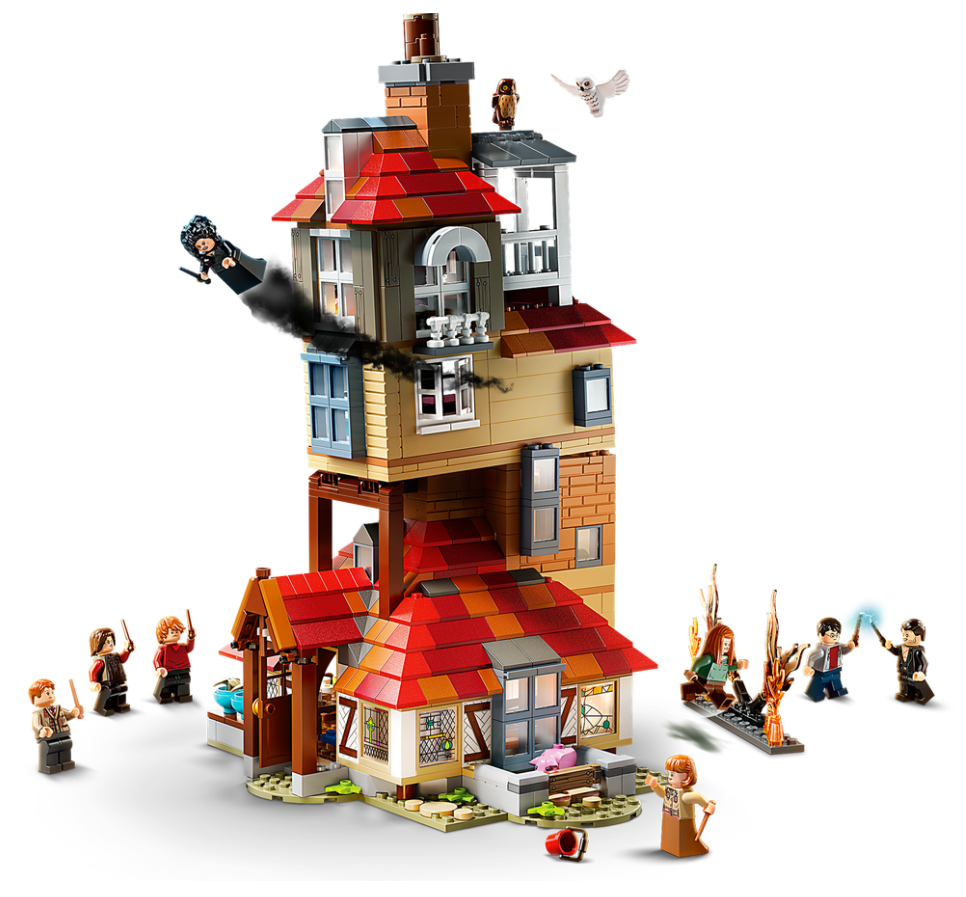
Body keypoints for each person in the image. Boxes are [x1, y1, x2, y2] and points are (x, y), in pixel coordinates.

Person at [645, 755, 714, 857]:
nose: (670, 775)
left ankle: (687, 849)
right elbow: (663, 793)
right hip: (669, 817)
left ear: (686, 776)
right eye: (669, 772)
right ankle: (669, 848)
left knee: (682, 839)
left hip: (683, 821)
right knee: (669, 837)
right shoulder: (670, 790)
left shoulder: (685, 795)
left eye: (674, 773)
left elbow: (697, 797)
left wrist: (708, 805)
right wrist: (655, 786)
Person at [180, 215, 266, 294]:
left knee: (250, 277)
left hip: (238, 266)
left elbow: (232, 250)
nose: (203, 247)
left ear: (210, 235)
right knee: (242, 287)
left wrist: (230, 258)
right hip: (223, 273)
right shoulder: (205, 257)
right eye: (199, 246)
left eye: (203, 243)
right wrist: (203, 274)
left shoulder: (222, 244)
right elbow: (204, 265)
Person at [681, 623, 749, 710]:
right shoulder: (709, 658)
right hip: (705, 680)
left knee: (719, 695)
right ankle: (690, 694)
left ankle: (720, 704)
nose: (727, 647)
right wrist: (692, 672)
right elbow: (698, 663)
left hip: (719, 682)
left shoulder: (725, 658)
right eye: (725, 644)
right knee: (702, 690)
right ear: (716, 642)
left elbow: (728, 667)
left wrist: (738, 666)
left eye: (728, 645)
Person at [30, 679, 83, 774]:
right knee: (50, 748)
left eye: (51, 692)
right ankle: (50, 765)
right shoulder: (38, 713)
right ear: (36, 697)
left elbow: (67, 715)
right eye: (47, 693)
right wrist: (41, 729)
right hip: (48, 737)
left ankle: (66, 762)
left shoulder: (58, 709)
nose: (50, 694)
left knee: (66, 745)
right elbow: (35, 724)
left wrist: (73, 713)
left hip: (62, 734)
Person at [802, 617, 857, 701]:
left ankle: (834, 691)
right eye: (832, 635)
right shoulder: (820, 650)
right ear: (821, 634)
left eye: (837, 634)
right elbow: (811, 657)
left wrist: (849, 647)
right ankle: (813, 692)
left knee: (835, 680)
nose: (835, 637)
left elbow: (844, 651)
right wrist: (808, 667)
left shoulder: (839, 646)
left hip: (835, 669)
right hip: (821, 672)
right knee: (819, 682)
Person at [881, 618, 933, 704]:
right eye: (904, 634)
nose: (905, 637)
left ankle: (921, 694)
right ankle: (907, 694)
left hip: (914, 673)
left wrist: (921, 672)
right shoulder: (902, 647)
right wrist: (889, 647)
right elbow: (895, 651)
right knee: (904, 682)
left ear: (919, 635)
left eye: (907, 635)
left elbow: (924, 662)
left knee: (916, 684)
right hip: (904, 671)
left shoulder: (918, 650)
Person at [88, 627, 134, 715]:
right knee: (108, 692)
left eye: (112, 641)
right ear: (98, 645)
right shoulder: (100, 661)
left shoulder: (115, 656)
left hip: (119, 680)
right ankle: (102, 707)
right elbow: (92, 671)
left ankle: (120, 704)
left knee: (122, 688)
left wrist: (127, 650)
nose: (111, 643)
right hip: (107, 685)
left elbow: (122, 659)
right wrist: (93, 683)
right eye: (108, 642)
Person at [153, 616, 195, 703]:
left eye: (177, 631)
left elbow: (189, 648)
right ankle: (164, 695)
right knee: (166, 684)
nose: (175, 633)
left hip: (183, 670)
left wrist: (191, 639)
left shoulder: (182, 646)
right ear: (163, 634)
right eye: (172, 632)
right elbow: (157, 660)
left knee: (184, 682)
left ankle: (183, 695)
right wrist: (159, 668)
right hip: (168, 672)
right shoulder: (163, 648)